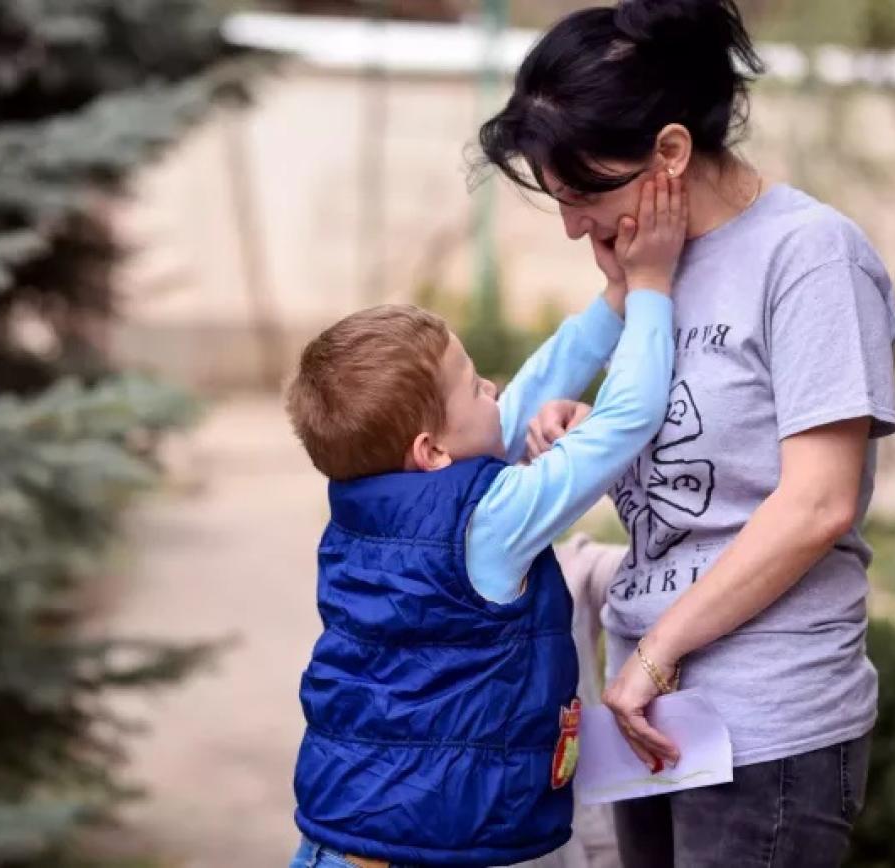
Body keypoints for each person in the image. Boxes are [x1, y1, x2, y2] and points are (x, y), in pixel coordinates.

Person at [478, 2, 895, 866]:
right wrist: (593, 430)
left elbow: (816, 502)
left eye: (585, 191)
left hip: (762, 726)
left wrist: (661, 654)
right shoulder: (654, 272)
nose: (570, 226)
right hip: (650, 714)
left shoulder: (811, 256)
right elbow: (704, 447)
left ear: (670, 152)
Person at [284, 174, 686, 867]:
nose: (494, 388)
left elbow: (511, 405)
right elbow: (627, 421)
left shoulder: (365, 508)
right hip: (433, 849)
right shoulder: (489, 521)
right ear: (431, 451)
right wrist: (650, 289)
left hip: (339, 836)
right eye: (473, 384)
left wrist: (612, 302)